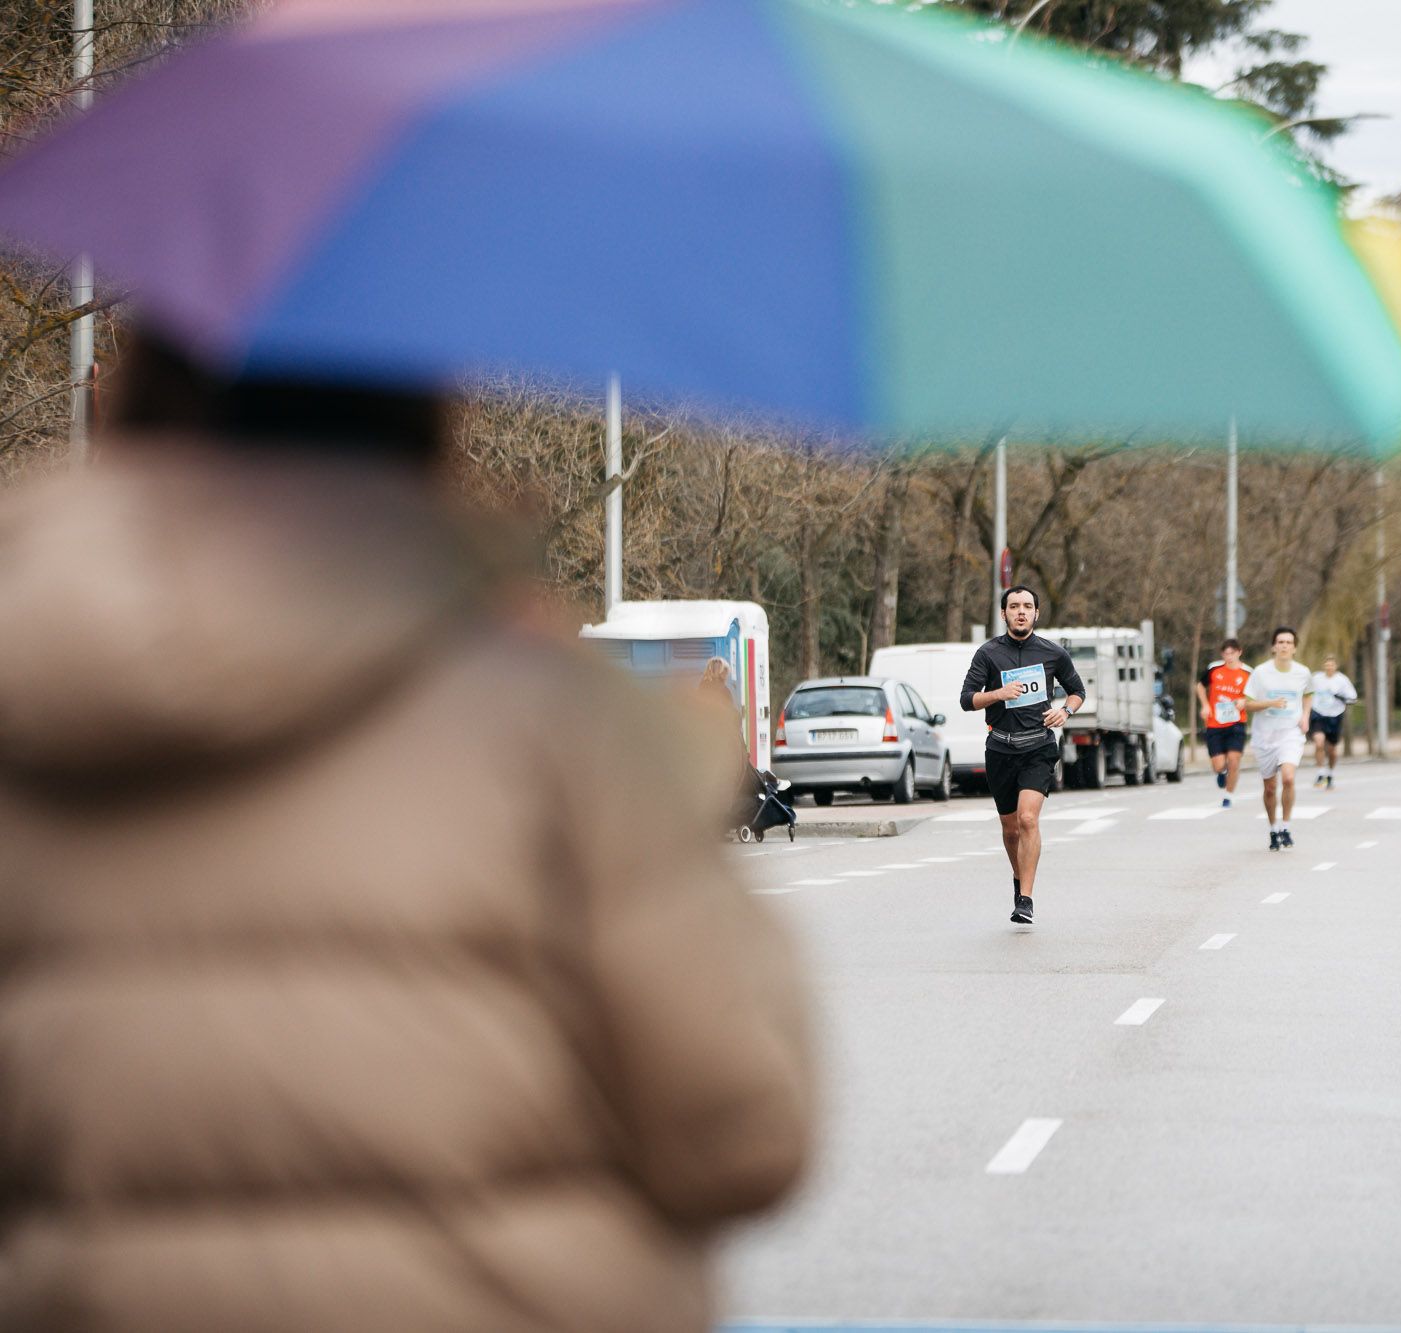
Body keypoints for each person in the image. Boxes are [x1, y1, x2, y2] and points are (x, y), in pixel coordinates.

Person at [0, 334, 814, 1332]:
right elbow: (740, 1131)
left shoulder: (31, 702)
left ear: (137, 403)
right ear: (422, 416)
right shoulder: (547, 720)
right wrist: (667, 780)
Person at [959, 585, 1084, 925]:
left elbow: (1077, 691)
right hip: (1000, 747)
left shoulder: (1053, 653)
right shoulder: (988, 654)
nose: (1021, 611)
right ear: (1004, 614)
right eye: (1014, 606)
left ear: (1036, 614)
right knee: (1011, 828)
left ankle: (1025, 900)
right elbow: (967, 699)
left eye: (1027, 606)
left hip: (1038, 747)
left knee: (1028, 819)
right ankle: (1019, 879)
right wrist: (997, 693)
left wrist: (1066, 713)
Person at [1241, 626, 1314, 851]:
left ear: (1294, 648)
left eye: (1288, 643)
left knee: (1289, 778)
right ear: (1274, 647)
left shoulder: (1303, 672)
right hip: (1264, 736)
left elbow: (1309, 694)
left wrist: (1305, 716)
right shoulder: (1261, 673)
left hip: (1290, 734)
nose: (1284, 646)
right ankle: (1273, 829)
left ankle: (1286, 826)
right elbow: (1247, 704)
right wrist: (1270, 703)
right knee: (1270, 788)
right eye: (1280, 642)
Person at [1194, 638, 1252, 808]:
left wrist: (1244, 700)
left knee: (1234, 760)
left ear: (1239, 653)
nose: (1229, 657)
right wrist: (1205, 705)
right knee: (1218, 764)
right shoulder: (1214, 668)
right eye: (1226, 653)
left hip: (1237, 722)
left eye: (1232, 653)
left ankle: (1228, 795)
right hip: (1215, 723)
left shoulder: (1248, 673)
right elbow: (1200, 686)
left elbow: (1256, 694)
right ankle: (1222, 772)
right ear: (1222, 654)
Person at [1306, 655, 1358, 789]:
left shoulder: (1342, 680)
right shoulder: (1316, 678)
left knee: (1332, 750)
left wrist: (1342, 698)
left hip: (1335, 716)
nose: (1329, 667)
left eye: (1332, 665)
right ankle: (1320, 773)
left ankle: (1330, 773)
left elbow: (1353, 698)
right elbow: (1306, 691)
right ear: (1324, 666)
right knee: (1319, 742)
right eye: (1327, 665)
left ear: (1336, 666)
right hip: (1318, 714)